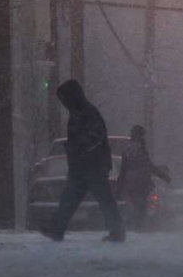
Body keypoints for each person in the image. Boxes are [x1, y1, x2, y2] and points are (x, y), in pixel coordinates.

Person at [40, 79, 124, 242]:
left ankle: (117, 231)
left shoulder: (87, 112)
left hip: (93, 165)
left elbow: (96, 137)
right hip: (84, 165)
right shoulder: (79, 113)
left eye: (65, 97)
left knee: (100, 199)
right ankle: (57, 229)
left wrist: (78, 147)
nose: (63, 102)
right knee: (72, 198)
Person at [115, 124, 171, 231]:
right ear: (140, 136)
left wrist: (120, 186)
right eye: (142, 135)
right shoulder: (140, 149)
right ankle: (137, 225)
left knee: (135, 204)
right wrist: (163, 175)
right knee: (141, 205)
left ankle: (133, 224)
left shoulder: (127, 149)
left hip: (130, 182)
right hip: (141, 182)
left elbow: (123, 169)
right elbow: (148, 165)